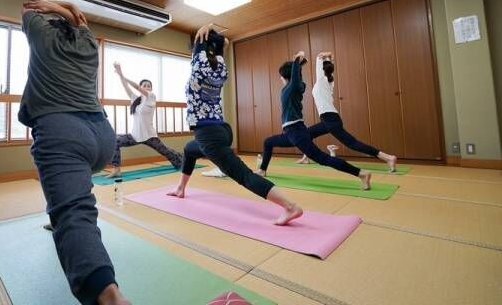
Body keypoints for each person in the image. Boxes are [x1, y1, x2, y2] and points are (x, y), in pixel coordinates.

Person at [20, 0, 130, 305]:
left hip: (62, 131)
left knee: (73, 212)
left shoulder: (41, 36)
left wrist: (50, 4)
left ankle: (108, 296)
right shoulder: (88, 43)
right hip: (103, 137)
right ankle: (57, 213)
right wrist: (62, 5)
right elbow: (79, 19)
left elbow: (27, 8)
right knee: (67, 186)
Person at [167, 24, 303, 226]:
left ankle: (290, 206)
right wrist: (217, 41)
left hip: (208, 134)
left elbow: (200, 48)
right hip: (222, 130)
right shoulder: (221, 68)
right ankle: (181, 188)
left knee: (244, 176)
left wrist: (203, 31)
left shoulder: (198, 68)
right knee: (189, 149)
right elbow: (222, 48)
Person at [253, 50, 372, 191]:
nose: (280, 78)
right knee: (268, 142)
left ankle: (361, 173)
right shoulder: (295, 87)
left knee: (322, 159)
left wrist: (297, 60)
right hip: (291, 133)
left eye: (280, 76)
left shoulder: (292, 88)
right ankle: (262, 170)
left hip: (296, 133)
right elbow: (298, 80)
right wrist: (300, 64)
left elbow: (296, 79)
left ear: (284, 76)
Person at [296, 52, 397, 171]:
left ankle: (388, 158)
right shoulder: (329, 81)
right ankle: (306, 157)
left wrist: (325, 56)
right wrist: (330, 58)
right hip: (328, 120)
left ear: (322, 70)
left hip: (330, 119)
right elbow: (329, 68)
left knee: (352, 143)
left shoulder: (322, 80)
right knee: (306, 135)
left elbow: (319, 58)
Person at [105, 64, 183, 178]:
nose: (147, 87)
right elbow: (126, 86)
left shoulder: (151, 97)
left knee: (166, 152)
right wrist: (120, 75)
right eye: (144, 85)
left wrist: (123, 74)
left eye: (148, 86)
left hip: (149, 136)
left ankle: (182, 159)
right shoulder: (135, 100)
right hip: (134, 136)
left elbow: (136, 87)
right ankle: (117, 169)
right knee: (115, 141)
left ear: (150, 89)